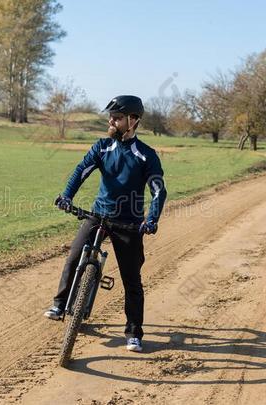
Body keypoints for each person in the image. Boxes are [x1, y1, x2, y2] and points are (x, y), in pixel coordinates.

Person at [44, 95, 167, 352]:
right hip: (99, 215)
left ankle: (134, 332)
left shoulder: (146, 155)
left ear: (133, 121)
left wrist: (151, 219)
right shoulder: (102, 147)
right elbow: (81, 171)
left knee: (131, 279)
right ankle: (59, 304)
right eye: (110, 117)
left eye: (118, 118)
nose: (111, 121)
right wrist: (67, 196)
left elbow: (158, 191)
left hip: (130, 223)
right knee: (74, 256)